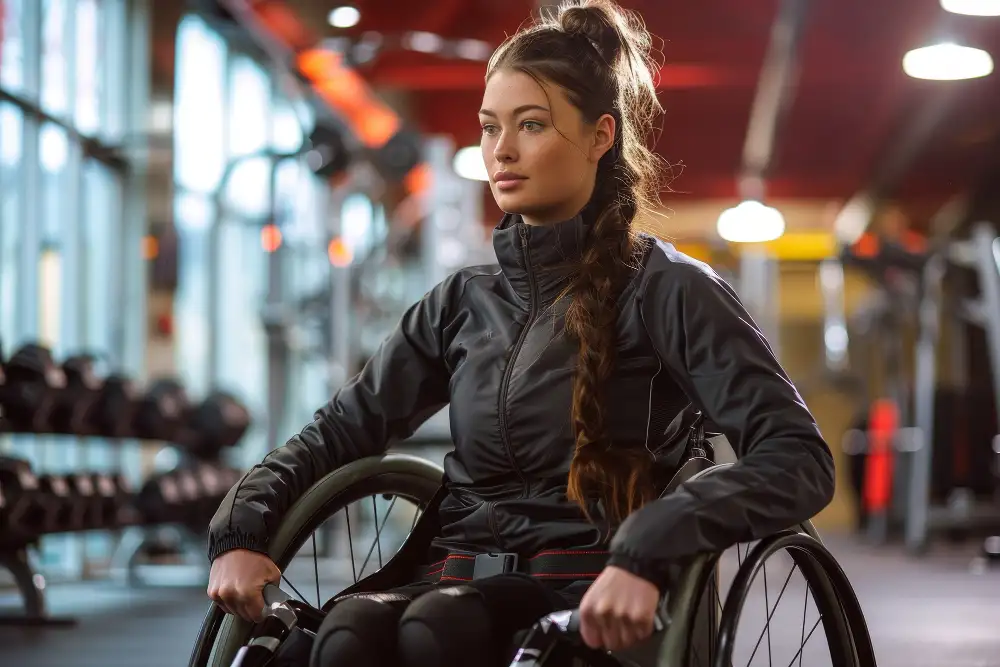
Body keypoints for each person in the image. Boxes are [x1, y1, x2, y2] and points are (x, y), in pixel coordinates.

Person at [206, 1, 835, 665]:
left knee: (434, 631)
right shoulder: (459, 302)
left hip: (593, 590)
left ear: (601, 136)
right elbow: (340, 431)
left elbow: (798, 455)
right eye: (488, 128)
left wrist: (653, 541)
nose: (500, 150)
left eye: (530, 125)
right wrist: (244, 529)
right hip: (454, 577)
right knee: (347, 633)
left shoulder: (670, 289)